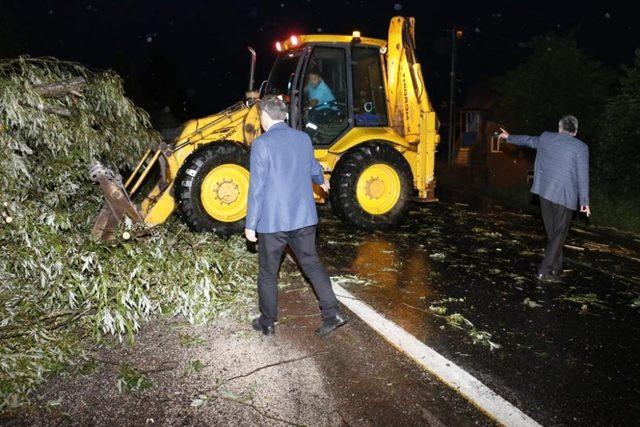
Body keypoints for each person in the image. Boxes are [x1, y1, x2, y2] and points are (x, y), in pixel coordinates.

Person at [245, 94, 347, 336]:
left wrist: (251, 224)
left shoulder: (262, 144)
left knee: (268, 273)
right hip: (303, 218)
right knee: (311, 264)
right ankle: (332, 313)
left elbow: (257, 188)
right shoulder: (303, 139)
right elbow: (313, 167)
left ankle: (267, 322)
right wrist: (322, 181)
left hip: (272, 223)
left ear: (265, 117)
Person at [498, 115, 590, 284]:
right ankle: (544, 271)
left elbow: (527, 140)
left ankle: (556, 268)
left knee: (554, 234)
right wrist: (584, 202)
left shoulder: (546, 138)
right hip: (564, 197)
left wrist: (508, 137)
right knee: (558, 235)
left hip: (544, 194)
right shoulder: (580, 147)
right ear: (575, 131)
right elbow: (582, 175)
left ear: (560, 127)